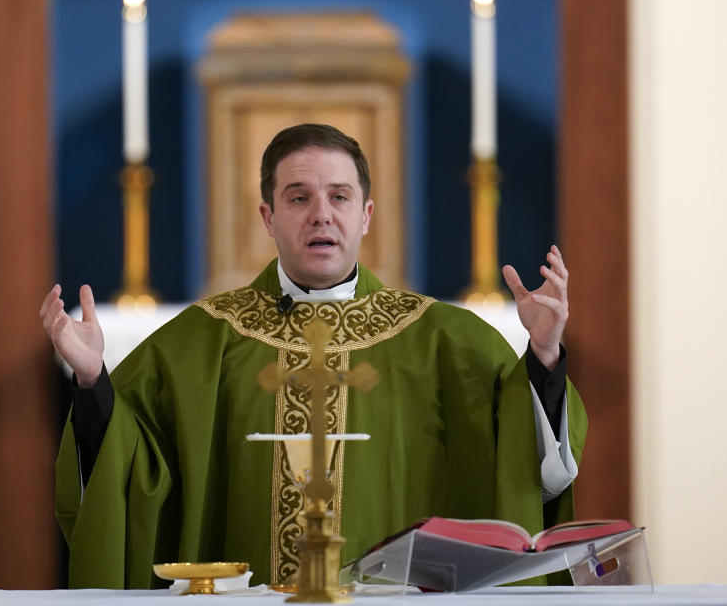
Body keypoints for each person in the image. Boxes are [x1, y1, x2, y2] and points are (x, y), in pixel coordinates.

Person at [41, 123, 586, 589]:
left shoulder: (447, 341)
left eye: (339, 197)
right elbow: (128, 475)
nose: (321, 215)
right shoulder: (201, 342)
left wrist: (543, 355)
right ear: (268, 216)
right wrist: (92, 382)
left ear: (366, 214)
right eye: (299, 197)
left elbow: (527, 470)